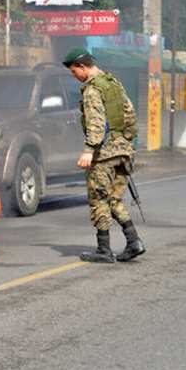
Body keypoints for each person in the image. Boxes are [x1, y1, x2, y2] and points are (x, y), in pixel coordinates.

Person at [62, 47, 146, 264]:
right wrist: (125, 144)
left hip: (105, 153)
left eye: (74, 72)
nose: (74, 76)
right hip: (123, 150)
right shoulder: (113, 83)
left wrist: (89, 151)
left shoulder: (92, 90)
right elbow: (130, 115)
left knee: (98, 198)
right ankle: (134, 242)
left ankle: (104, 249)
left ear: (82, 66)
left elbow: (96, 123)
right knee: (114, 199)